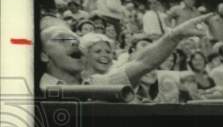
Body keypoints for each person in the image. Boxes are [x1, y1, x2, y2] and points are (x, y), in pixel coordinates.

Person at [38, 14, 211, 91]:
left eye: (75, 38)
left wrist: (175, 35)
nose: (75, 41)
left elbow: (143, 63)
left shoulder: (95, 83)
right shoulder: (33, 91)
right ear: (44, 54)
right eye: (62, 39)